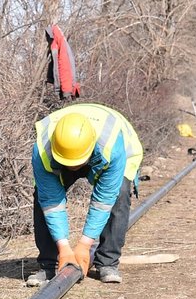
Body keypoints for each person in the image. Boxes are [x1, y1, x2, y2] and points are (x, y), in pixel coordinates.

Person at [27, 102, 143, 287]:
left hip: (114, 154)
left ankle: (107, 262)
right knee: (42, 196)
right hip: (63, 153)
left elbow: (103, 200)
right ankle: (48, 264)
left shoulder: (112, 145)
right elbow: (51, 202)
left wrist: (84, 244)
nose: (74, 168)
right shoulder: (42, 150)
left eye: (77, 163)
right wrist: (64, 246)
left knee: (119, 194)